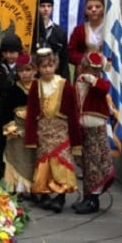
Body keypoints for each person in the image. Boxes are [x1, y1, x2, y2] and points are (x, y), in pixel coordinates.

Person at [24, 48, 81, 213]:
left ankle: (61, 196)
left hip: (60, 132)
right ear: (38, 68)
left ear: (55, 65)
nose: (47, 69)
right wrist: (31, 138)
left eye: (50, 66)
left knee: (60, 164)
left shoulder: (65, 85)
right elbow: (32, 112)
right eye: (43, 67)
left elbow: (72, 113)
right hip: (43, 132)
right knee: (44, 165)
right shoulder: (36, 86)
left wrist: (76, 141)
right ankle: (46, 194)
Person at [72, 52, 115, 214]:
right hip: (83, 128)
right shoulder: (78, 82)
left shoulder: (98, 83)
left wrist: (93, 79)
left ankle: (93, 199)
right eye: (89, 69)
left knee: (96, 164)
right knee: (88, 165)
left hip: (95, 128)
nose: (91, 73)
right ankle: (87, 197)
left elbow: (105, 88)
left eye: (95, 71)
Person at [1, 53, 38, 202]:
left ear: (34, 70)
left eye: (28, 70)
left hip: (35, 128)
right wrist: (11, 127)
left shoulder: (39, 87)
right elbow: (5, 110)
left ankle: (35, 188)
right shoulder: (13, 89)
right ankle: (19, 189)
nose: (25, 74)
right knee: (17, 157)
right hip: (17, 129)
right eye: (21, 71)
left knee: (33, 159)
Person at [0, 34, 23, 181]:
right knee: (0, 144)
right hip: (0, 110)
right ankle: (1, 175)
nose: (9, 56)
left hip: (17, 111)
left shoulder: (24, 68)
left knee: (17, 146)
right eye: (6, 52)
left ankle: (17, 180)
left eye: (13, 52)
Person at [67, 0, 105, 77]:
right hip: (84, 72)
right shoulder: (79, 30)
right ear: (85, 11)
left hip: (106, 71)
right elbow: (70, 52)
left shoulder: (110, 30)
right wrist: (85, 60)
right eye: (90, 7)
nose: (94, 9)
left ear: (103, 9)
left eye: (97, 7)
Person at [36, 0, 70, 80]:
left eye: (49, 6)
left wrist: (66, 81)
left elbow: (64, 59)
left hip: (55, 76)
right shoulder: (32, 30)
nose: (46, 9)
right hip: (35, 76)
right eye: (42, 6)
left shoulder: (60, 32)